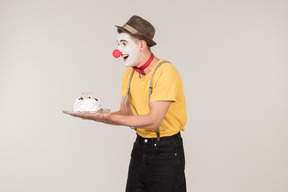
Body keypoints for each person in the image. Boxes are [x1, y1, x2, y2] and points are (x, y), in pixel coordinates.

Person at [72, 15, 187, 192]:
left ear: (141, 45)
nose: (118, 50)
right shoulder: (129, 74)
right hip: (140, 146)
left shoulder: (165, 72)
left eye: (124, 44)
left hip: (166, 150)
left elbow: (153, 120)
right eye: (118, 44)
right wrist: (96, 115)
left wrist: (109, 118)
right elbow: (126, 113)